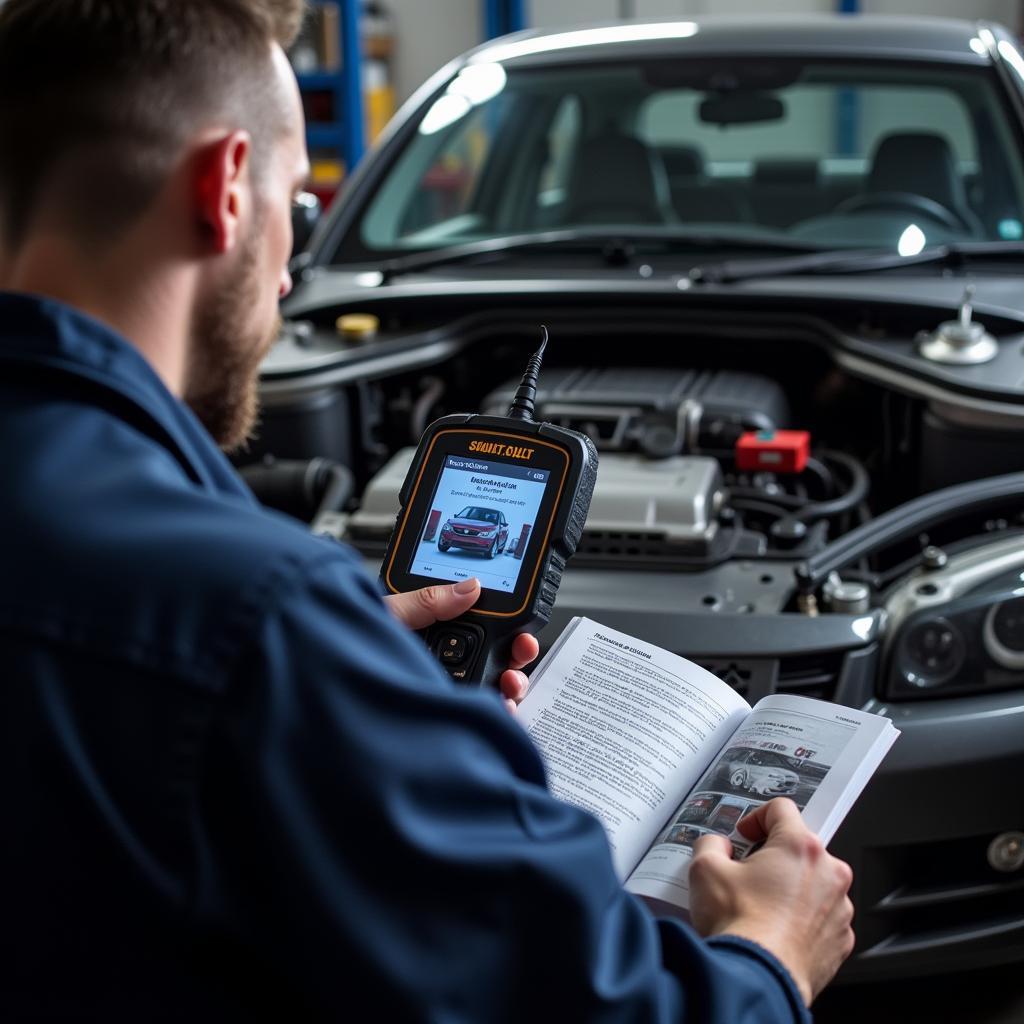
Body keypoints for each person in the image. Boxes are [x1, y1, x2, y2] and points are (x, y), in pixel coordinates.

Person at [0, 1, 854, 1021]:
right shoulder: (259, 627)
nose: (287, 272)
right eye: (297, 206)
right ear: (226, 188)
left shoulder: (260, 630)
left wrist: (337, 680)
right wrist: (768, 955)